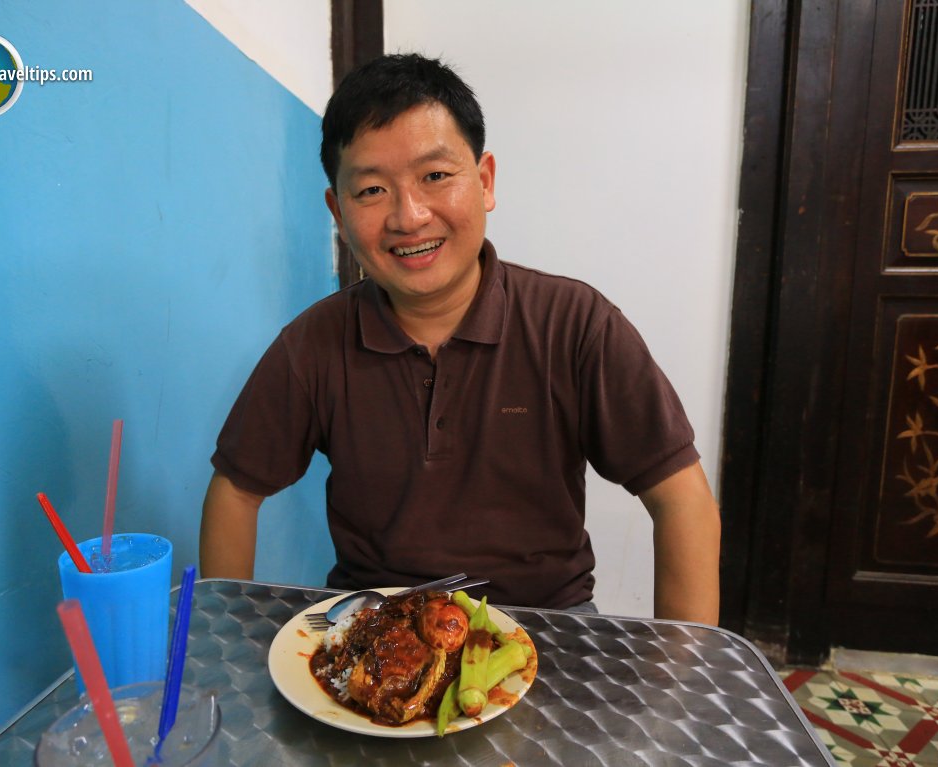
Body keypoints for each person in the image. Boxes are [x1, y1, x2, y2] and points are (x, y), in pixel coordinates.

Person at [200, 53, 721, 623]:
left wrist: (685, 676)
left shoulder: (574, 323)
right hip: (375, 625)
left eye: (436, 176)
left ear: (485, 180)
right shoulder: (313, 345)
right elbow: (236, 490)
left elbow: (680, 497)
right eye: (372, 190)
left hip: (550, 627)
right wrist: (230, 638)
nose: (410, 215)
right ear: (338, 212)